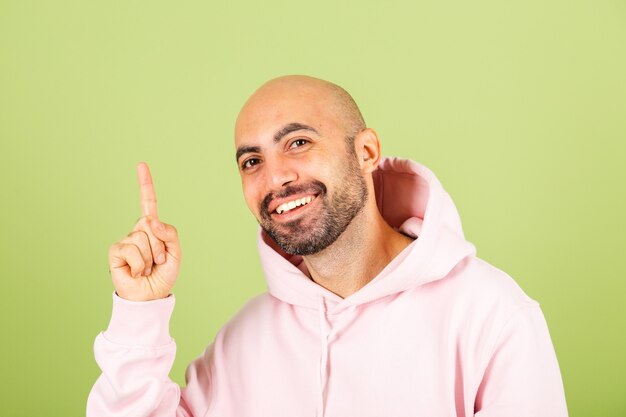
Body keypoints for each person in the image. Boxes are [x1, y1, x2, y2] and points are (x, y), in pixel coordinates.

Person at [87, 75, 568, 416]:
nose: (276, 177)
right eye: (252, 161)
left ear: (366, 152)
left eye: (297, 143)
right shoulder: (244, 340)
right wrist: (139, 315)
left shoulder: (493, 315)